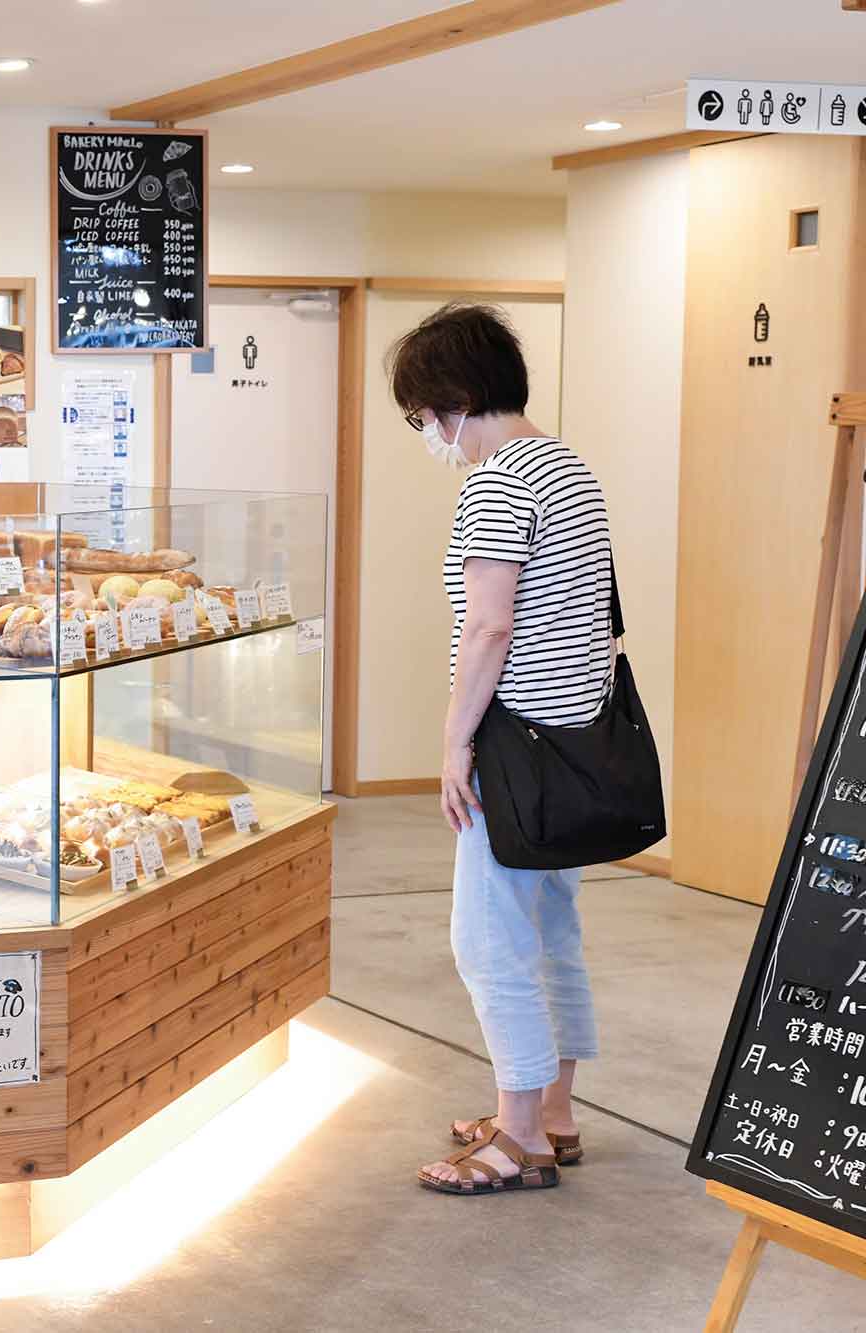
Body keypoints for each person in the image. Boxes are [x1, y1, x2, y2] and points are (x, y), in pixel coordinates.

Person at [387, 305, 613, 1197]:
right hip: (573, 743)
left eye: (422, 415)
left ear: (458, 399)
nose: (427, 434)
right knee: (551, 932)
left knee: (487, 942)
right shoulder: (569, 466)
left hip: (512, 750)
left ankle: (517, 1138)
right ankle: (553, 1113)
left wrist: (454, 746)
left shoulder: (497, 483)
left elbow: (488, 625)